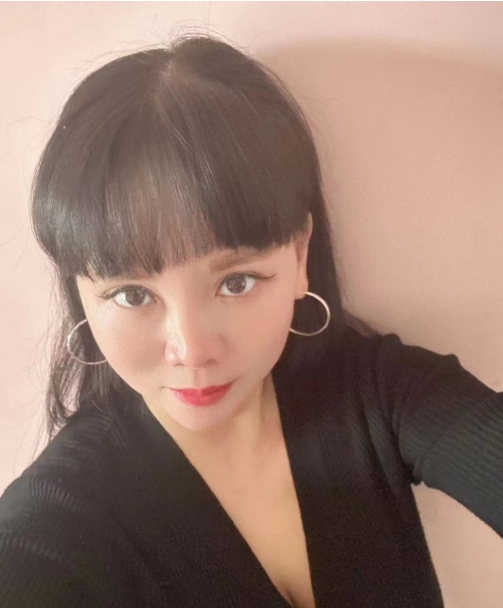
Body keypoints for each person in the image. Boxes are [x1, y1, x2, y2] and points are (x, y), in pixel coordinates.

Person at [0, 32, 501, 608]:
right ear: (80, 293)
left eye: (236, 282)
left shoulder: (380, 395)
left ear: (299, 254)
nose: (192, 349)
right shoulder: (62, 518)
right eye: (132, 294)